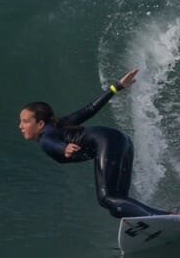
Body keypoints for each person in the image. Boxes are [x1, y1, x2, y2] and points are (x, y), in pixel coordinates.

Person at [18, 68, 167, 219]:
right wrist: (117, 86)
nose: (20, 126)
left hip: (106, 142)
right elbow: (90, 109)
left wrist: (63, 148)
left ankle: (161, 217)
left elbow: (49, 143)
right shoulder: (61, 126)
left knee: (105, 198)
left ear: (40, 124)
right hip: (122, 140)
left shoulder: (45, 137)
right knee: (117, 205)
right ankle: (150, 224)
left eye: (25, 121)